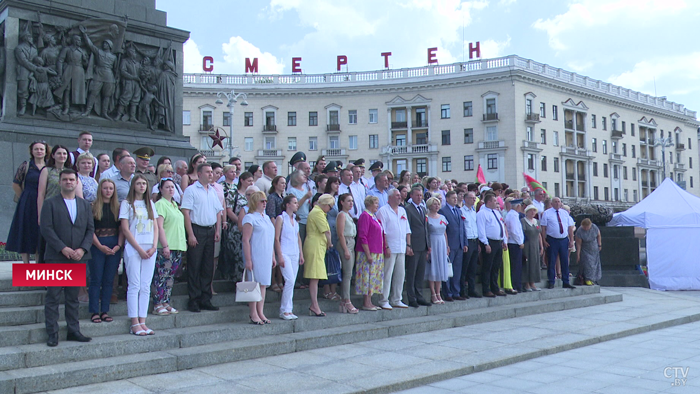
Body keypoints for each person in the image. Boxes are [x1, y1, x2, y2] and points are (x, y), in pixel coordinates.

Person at [41, 169, 94, 347]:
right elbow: (46, 229)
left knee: (72, 297)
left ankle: (73, 330)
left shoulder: (85, 205)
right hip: (57, 257)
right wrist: (62, 248)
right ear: (60, 182)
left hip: (77, 258)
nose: (69, 182)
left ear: (77, 182)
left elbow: (89, 230)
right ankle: (52, 333)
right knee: (53, 297)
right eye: (65, 179)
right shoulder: (50, 203)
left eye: (72, 179)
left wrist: (82, 249)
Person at [120, 174, 158, 336]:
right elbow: (126, 229)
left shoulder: (150, 203)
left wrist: (154, 246)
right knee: (134, 285)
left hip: (150, 248)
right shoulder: (127, 203)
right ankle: (134, 322)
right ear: (133, 185)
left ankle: (143, 321)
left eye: (144, 183)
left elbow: (156, 226)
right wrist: (139, 249)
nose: (142, 186)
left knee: (145, 286)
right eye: (139, 183)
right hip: (134, 248)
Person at [181, 163, 223, 312]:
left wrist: (217, 229)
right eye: (208, 172)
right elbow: (186, 213)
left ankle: (206, 298)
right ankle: (194, 299)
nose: (211, 174)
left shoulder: (212, 191)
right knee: (194, 266)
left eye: (212, 172)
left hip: (210, 230)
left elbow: (218, 211)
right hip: (197, 230)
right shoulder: (191, 190)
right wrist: (190, 234)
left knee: (207, 266)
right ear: (199, 174)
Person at [7, 140, 48, 264]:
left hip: (43, 203)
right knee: (25, 232)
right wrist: (23, 198)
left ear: (46, 151)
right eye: (36, 149)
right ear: (32, 151)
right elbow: (15, 184)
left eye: (41, 149)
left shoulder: (49, 167)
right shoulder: (26, 165)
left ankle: (38, 262)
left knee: (38, 233)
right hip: (27, 203)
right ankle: (26, 264)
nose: (39, 151)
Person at [88, 179, 123, 323]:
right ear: (100, 190)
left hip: (114, 245)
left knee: (109, 280)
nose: (108, 191)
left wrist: (119, 245)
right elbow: (89, 229)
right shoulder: (93, 206)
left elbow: (122, 229)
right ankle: (94, 311)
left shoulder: (118, 207)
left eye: (111, 188)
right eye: (105, 188)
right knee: (96, 279)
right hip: (97, 245)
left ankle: (105, 310)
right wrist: (99, 246)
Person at [242, 191, 276, 324]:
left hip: (266, 254)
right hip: (256, 253)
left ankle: (260, 311)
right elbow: (245, 240)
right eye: (262, 201)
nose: (264, 203)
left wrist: (273, 255)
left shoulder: (266, 218)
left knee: (263, 284)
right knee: (254, 284)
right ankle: (253, 312)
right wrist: (248, 259)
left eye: (265, 201)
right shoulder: (250, 218)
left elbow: (270, 238)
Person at [153, 178, 186, 315]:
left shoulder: (175, 205)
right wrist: (165, 245)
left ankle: (166, 301)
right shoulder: (160, 204)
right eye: (167, 187)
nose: (171, 189)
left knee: (170, 277)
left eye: (172, 187)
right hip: (166, 245)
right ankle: (157, 303)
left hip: (178, 245)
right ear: (161, 189)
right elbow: (159, 226)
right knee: (161, 275)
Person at [376, 189, 411, 309]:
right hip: (390, 246)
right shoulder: (383, 211)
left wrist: (408, 245)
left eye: (400, 195)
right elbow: (383, 231)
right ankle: (383, 299)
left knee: (400, 274)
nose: (399, 197)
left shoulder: (402, 210)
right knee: (387, 274)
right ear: (390, 197)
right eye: (397, 195)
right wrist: (386, 246)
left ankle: (397, 298)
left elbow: (407, 229)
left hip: (401, 246)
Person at [302, 193, 335, 317]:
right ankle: (314, 304)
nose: (330, 210)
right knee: (314, 276)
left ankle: (315, 304)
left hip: (317, 244)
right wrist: (330, 244)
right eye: (330, 207)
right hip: (315, 244)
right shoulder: (317, 212)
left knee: (316, 276)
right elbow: (326, 231)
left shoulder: (318, 212)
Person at [274, 194, 304, 320]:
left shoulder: (295, 220)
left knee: (291, 282)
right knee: (290, 280)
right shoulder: (281, 218)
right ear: (288, 204)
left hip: (295, 253)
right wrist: (279, 255)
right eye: (295, 202)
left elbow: (298, 238)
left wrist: (301, 254)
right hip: (285, 252)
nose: (297, 205)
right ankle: (284, 310)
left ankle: (289, 309)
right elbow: (276, 238)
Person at [355, 195, 384, 310]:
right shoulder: (365, 216)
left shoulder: (374, 216)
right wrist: (367, 254)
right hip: (368, 252)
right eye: (376, 203)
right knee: (367, 276)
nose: (377, 205)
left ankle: (370, 301)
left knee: (373, 277)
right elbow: (363, 236)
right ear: (370, 204)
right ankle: (366, 302)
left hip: (377, 251)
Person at [541, 197, 576, 289]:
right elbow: (543, 228)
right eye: (555, 202)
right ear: (552, 204)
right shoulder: (547, 213)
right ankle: (551, 281)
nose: (557, 203)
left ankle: (566, 281)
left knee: (564, 261)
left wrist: (571, 240)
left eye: (558, 202)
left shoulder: (564, 213)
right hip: (552, 239)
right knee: (552, 261)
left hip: (563, 239)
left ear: (561, 203)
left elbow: (570, 228)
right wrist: (544, 240)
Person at [477, 193, 508, 298]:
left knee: (496, 266)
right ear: (489, 202)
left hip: (498, 241)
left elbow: (501, 226)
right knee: (487, 266)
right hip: (489, 242)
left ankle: (495, 287)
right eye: (495, 201)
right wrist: (485, 243)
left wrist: (504, 240)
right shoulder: (482, 213)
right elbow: (481, 230)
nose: (497, 203)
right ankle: (486, 289)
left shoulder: (496, 212)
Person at [404, 186, 431, 307]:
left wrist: (428, 244)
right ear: (411, 196)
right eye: (417, 195)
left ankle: (419, 295)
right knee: (412, 272)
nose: (419, 197)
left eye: (421, 195)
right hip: (414, 245)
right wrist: (408, 245)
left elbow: (426, 228)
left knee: (420, 273)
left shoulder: (423, 209)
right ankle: (411, 297)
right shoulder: (408, 209)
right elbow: (407, 228)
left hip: (423, 245)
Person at [439, 191, 467, 301]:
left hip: (459, 244)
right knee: (448, 270)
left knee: (457, 270)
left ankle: (456, 291)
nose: (456, 199)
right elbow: (444, 229)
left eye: (456, 198)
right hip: (450, 243)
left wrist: (465, 242)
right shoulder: (443, 211)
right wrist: (446, 245)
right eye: (453, 198)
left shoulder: (459, 211)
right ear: (447, 199)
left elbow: (462, 228)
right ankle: (448, 293)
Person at [336, 193, 358, 313]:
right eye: (348, 201)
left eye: (352, 201)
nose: (351, 203)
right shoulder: (342, 215)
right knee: (347, 273)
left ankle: (345, 300)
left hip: (351, 242)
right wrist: (345, 249)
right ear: (342, 202)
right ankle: (346, 300)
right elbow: (340, 233)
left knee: (349, 273)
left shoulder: (348, 214)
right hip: (346, 242)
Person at [218, 166, 241, 281]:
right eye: (231, 172)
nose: (234, 174)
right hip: (228, 219)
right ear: (225, 173)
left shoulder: (237, 186)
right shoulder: (222, 186)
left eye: (235, 172)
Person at [460, 191, 481, 298]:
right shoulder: (461, 211)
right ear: (466, 199)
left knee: (472, 267)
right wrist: (464, 243)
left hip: (474, 240)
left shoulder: (474, 212)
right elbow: (462, 229)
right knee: (465, 267)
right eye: (472, 198)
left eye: (475, 198)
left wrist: (478, 243)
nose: (474, 200)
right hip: (467, 241)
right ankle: (462, 290)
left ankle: (472, 289)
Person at [505, 198, 525, 293]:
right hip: (514, 243)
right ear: (518, 206)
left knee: (517, 265)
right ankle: (516, 285)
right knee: (516, 266)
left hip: (515, 242)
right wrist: (519, 241)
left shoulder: (513, 215)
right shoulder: (512, 216)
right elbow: (514, 231)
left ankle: (517, 284)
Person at [521, 205, 543, 291]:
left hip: (535, 245)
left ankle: (533, 282)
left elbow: (539, 235)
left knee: (535, 263)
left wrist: (541, 246)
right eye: (531, 211)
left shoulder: (537, 221)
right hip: (527, 244)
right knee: (527, 264)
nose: (533, 212)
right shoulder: (523, 221)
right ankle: (526, 284)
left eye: (534, 211)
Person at [287, 170, 313, 241]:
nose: (305, 176)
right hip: (299, 220)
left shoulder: (305, 190)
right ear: (296, 178)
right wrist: (305, 197)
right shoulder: (292, 191)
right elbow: (294, 207)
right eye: (302, 175)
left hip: (307, 220)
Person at [575, 218, 602, 286]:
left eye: (587, 227)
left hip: (594, 248)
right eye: (584, 227)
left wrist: (599, 244)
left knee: (594, 265)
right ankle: (587, 279)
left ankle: (593, 279)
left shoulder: (594, 227)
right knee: (588, 264)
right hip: (585, 250)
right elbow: (578, 244)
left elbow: (598, 235)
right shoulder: (580, 231)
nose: (586, 228)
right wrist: (578, 254)